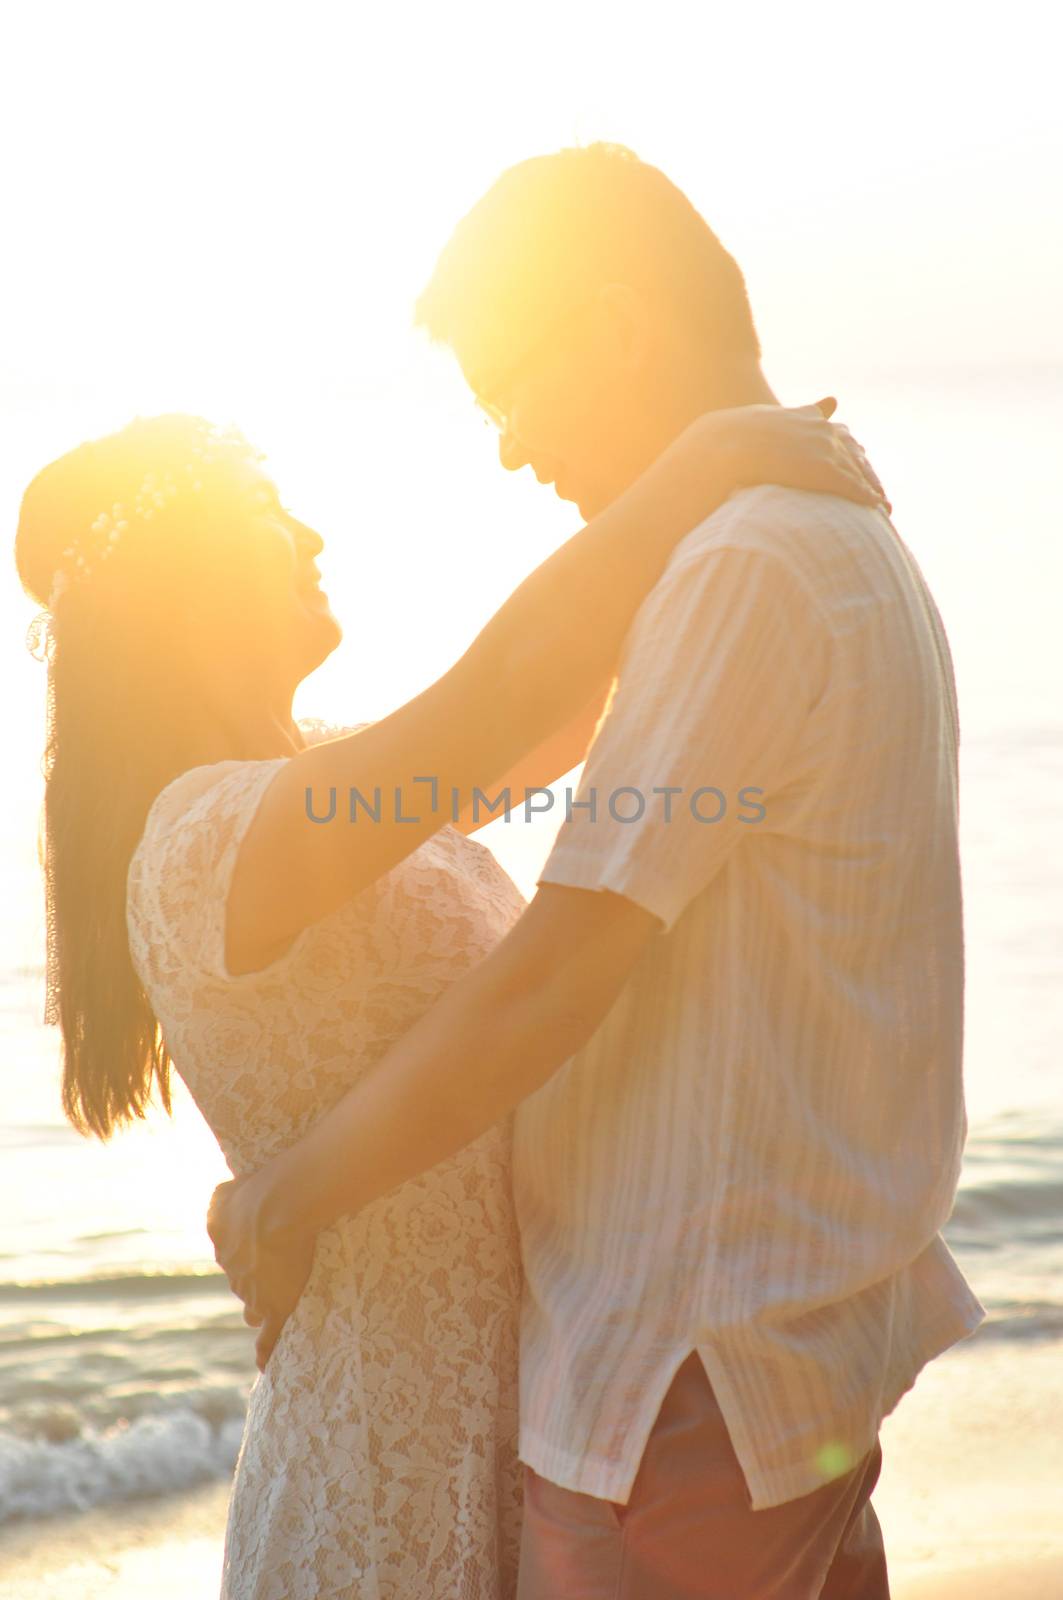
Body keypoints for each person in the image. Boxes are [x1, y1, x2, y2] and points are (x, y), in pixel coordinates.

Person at [209, 143, 987, 1600]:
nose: (509, 446)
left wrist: (289, 1194)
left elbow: (553, 978)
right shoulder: (818, 539)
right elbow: (496, 764)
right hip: (766, 1375)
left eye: (508, 387)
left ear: (618, 327)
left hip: (676, 1386)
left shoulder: (746, 565)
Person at [16, 377, 876, 1596]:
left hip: (529, 1416)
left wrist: (699, 513)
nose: (311, 540)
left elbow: (554, 712)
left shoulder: (314, 781)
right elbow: (501, 692)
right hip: (388, 1468)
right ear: (189, 570)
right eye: (272, 512)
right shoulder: (210, 834)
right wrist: (693, 463)